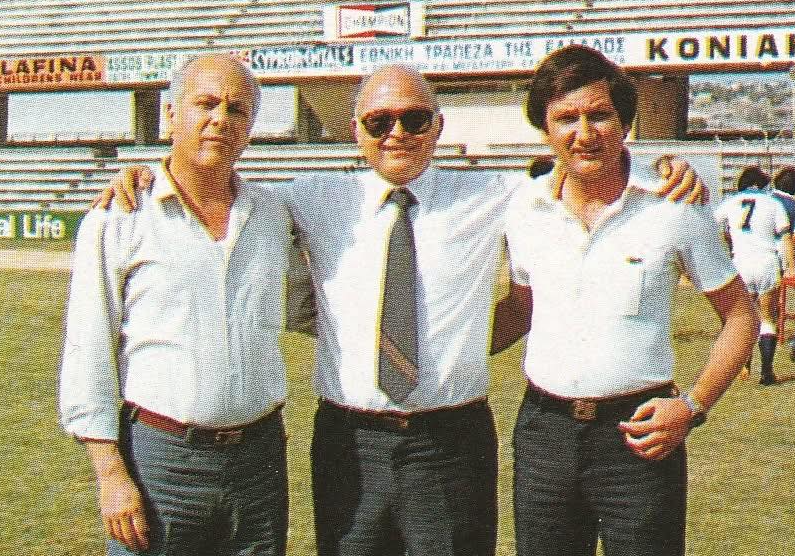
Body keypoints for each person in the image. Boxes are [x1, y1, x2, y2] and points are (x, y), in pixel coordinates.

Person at [100, 62, 706, 556]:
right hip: (350, 443)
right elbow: (213, 185)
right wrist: (146, 177)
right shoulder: (308, 199)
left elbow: (583, 164)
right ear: (356, 130)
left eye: (414, 119)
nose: (397, 133)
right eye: (379, 121)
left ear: (438, 126)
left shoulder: (497, 195)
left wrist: (670, 169)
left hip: (451, 443)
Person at [493, 45, 759, 556]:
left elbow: (740, 316)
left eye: (599, 115)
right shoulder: (523, 207)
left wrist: (692, 407)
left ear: (625, 122)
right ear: (544, 128)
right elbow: (522, 309)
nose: (584, 132)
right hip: (544, 433)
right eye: (566, 118)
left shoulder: (673, 206)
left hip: (640, 435)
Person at [59, 54, 293, 556]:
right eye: (205, 104)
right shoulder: (121, 217)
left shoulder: (274, 215)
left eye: (237, 109)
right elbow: (88, 349)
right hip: (160, 463)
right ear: (170, 114)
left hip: (259, 464)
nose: (220, 119)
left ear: (251, 126)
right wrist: (109, 473)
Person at [714, 165, 794, 385]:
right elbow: (785, 237)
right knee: (768, 317)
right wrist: (791, 265)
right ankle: (766, 371)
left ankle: (743, 366)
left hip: (740, 264)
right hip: (767, 262)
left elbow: (712, 227)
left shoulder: (730, 202)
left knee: (742, 317)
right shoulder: (774, 203)